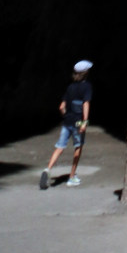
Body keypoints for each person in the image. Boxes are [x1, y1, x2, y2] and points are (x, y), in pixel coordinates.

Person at [39, 60, 93, 189]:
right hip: (78, 122)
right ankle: (72, 177)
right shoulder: (87, 87)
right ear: (86, 73)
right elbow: (86, 103)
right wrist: (84, 122)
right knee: (78, 147)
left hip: (67, 121)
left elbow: (61, 107)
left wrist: (67, 116)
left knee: (60, 147)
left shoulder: (70, 87)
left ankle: (47, 169)